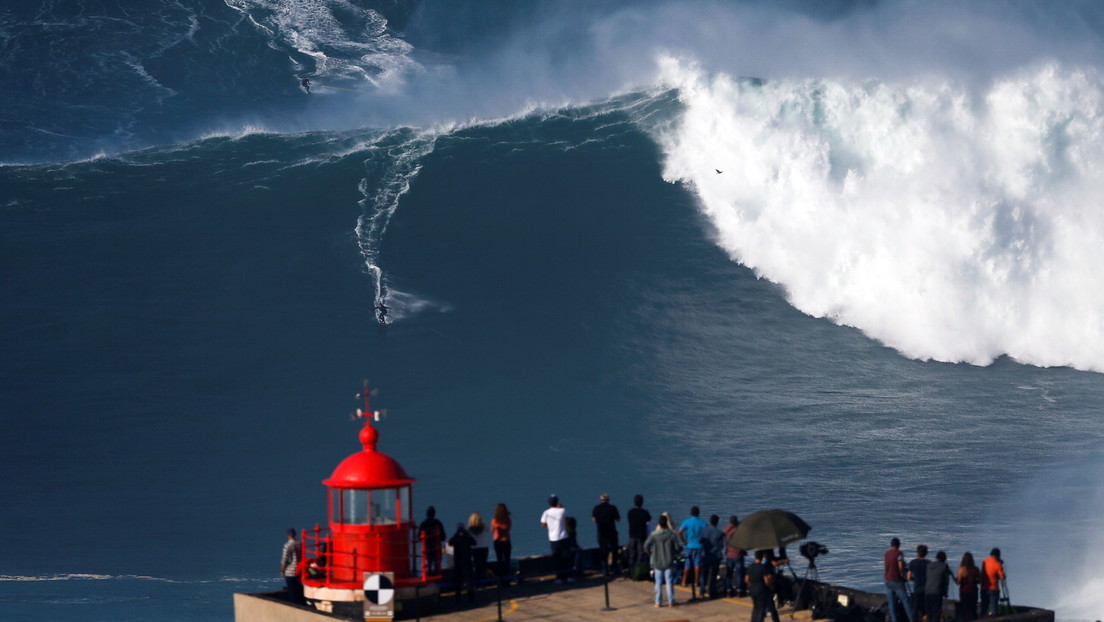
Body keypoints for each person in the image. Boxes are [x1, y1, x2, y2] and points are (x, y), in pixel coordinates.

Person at [643, 514, 680, 607]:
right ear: (667, 523)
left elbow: (645, 546)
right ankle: (671, 601)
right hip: (668, 560)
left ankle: (658, 602)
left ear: (659, 523)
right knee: (669, 581)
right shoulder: (671, 534)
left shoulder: (654, 534)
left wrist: (651, 553)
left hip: (657, 561)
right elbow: (676, 548)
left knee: (658, 582)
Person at [540, 494, 570, 583]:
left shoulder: (546, 512)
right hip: (564, 537)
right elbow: (567, 518)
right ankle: (568, 576)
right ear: (557, 502)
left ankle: (559, 578)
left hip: (553, 539)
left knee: (557, 559)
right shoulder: (563, 510)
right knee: (566, 558)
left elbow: (543, 524)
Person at [885, 538, 915, 622]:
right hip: (897, 581)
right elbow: (900, 566)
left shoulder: (887, 554)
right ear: (898, 545)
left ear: (891, 545)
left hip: (888, 580)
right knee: (906, 601)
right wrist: (902, 575)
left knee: (891, 604)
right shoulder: (899, 553)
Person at [678, 506, 707, 589]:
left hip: (689, 545)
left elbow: (679, 532)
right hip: (699, 545)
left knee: (687, 564)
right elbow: (707, 533)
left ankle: (683, 581)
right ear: (698, 513)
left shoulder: (687, 521)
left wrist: (684, 541)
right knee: (697, 564)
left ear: (691, 513)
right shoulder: (703, 522)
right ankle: (696, 582)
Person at [591, 493, 622, 574]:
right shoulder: (613, 508)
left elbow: (594, 520)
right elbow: (618, 519)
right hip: (612, 532)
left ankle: (605, 568)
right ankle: (614, 566)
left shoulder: (596, 508)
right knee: (614, 549)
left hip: (601, 533)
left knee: (603, 550)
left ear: (600, 500)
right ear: (608, 500)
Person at [448, 523, 476, 603]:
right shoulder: (467, 537)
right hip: (467, 562)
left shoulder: (456, 537)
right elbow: (474, 542)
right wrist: (468, 534)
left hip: (458, 563)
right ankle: (471, 598)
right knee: (469, 581)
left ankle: (458, 599)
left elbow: (450, 542)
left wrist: (456, 534)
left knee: (458, 581)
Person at [699, 514, 725, 598]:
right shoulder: (719, 532)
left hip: (705, 555)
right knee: (713, 575)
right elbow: (721, 546)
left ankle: (702, 591)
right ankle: (712, 592)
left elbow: (700, 541)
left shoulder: (703, 530)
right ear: (717, 522)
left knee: (704, 574)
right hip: (715, 556)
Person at [626, 494, 652, 579]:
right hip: (641, 537)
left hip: (632, 536)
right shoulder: (645, 513)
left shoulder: (630, 512)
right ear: (642, 502)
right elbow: (649, 519)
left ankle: (630, 572)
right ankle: (638, 572)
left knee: (632, 554)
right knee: (640, 555)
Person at [925, 550, 954, 622]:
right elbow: (946, 581)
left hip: (927, 591)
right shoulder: (944, 566)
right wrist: (946, 593)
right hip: (937, 592)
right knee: (936, 612)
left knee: (929, 613)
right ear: (944, 559)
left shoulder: (929, 565)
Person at [747, 549, 776, 622]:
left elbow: (746, 579)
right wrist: (770, 586)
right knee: (761, 609)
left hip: (753, 589)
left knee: (756, 608)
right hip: (761, 590)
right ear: (762, 557)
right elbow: (766, 580)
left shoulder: (751, 566)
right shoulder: (763, 567)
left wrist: (751, 585)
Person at [418, 506, 446, 575]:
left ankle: (428, 573)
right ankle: (437, 573)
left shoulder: (424, 524)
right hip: (436, 547)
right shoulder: (438, 523)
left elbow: (419, 537)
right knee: (437, 562)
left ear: (427, 514)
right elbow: (443, 537)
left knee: (429, 561)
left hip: (427, 548)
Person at [723, 515, 747, 597]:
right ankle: (739, 590)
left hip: (729, 554)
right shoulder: (739, 530)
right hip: (738, 554)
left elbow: (724, 533)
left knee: (729, 573)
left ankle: (729, 590)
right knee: (739, 573)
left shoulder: (727, 530)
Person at [492, 503, 513, 587]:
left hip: (498, 542)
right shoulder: (508, 520)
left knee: (499, 561)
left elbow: (493, 531)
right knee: (507, 561)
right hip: (506, 541)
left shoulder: (494, 521)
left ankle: (500, 581)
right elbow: (508, 529)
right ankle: (507, 580)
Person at [908, 545, 931, 622]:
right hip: (927, 590)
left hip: (917, 589)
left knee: (915, 609)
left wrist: (915, 579)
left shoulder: (912, 562)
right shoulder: (929, 563)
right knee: (927, 609)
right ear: (926, 553)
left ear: (917, 552)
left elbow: (909, 576)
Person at [281, 528, 304, 604]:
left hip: (290, 572)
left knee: (292, 594)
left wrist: (282, 571)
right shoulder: (300, 543)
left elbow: (285, 560)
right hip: (299, 571)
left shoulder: (287, 546)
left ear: (288, 535)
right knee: (299, 592)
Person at [981, 548, 1005, 616]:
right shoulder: (998, 564)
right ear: (998, 555)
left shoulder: (984, 561)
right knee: (994, 608)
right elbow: (1002, 577)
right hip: (994, 588)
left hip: (984, 588)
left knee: (984, 607)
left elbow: (982, 574)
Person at [957, 552, 980, 621]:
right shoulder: (975, 569)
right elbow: (980, 581)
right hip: (973, 592)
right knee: (973, 610)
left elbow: (958, 582)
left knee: (965, 611)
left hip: (964, 593)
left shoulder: (961, 569)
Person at [468, 512, 489, 586]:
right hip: (484, 547)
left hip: (474, 548)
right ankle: (484, 582)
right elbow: (488, 530)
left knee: (476, 565)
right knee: (483, 565)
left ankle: (477, 582)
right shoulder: (483, 527)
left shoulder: (470, 529)